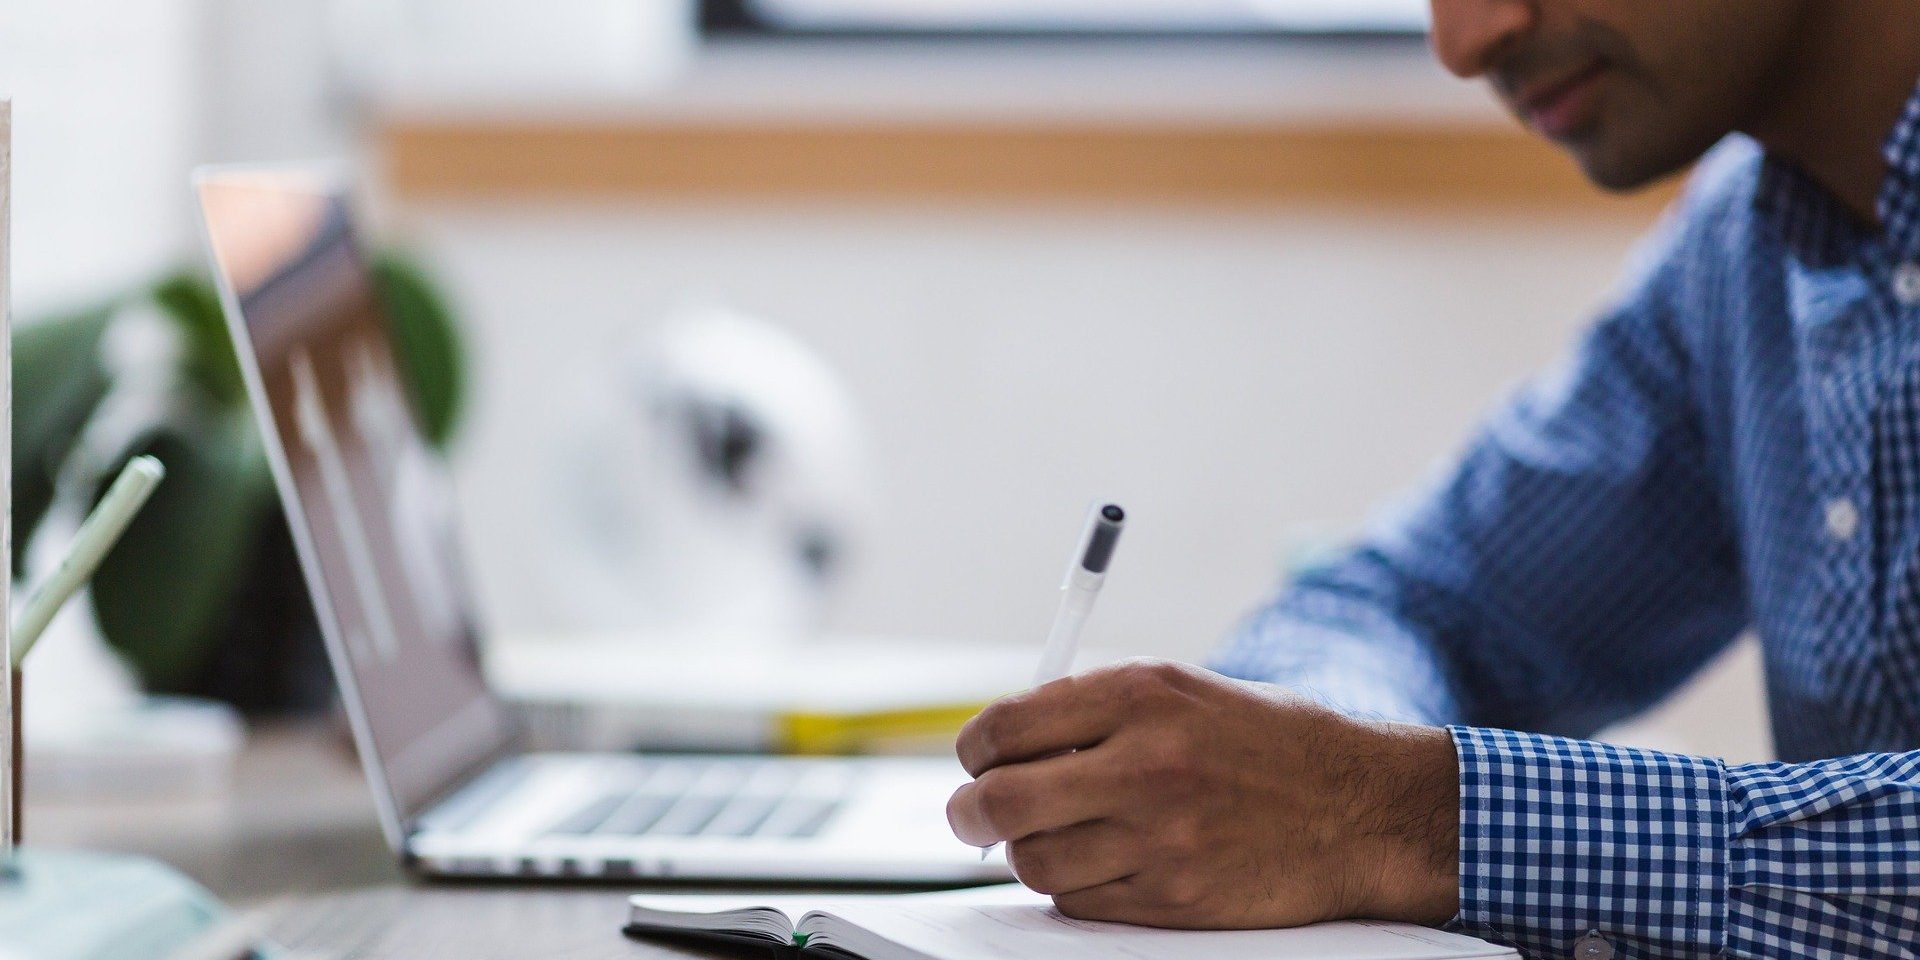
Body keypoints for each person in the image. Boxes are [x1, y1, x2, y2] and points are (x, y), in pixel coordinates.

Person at [944, 3, 1920, 957]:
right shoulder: (1743, 247)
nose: (1464, 42)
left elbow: (1379, 794)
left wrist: (1398, 814)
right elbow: (1414, 603)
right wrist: (1297, 765)